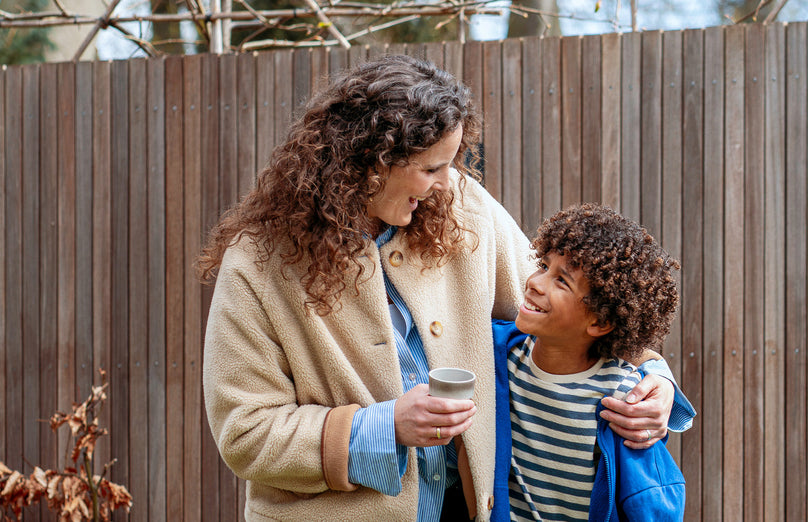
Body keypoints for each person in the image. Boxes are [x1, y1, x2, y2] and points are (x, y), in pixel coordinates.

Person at [199, 55, 689, 521]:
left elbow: (573, 308)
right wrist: (384, 427)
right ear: (371, 160)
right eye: (430, 168)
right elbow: (246, 434)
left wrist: (655, 377)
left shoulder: (462, 205)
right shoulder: (258, 263)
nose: (444, 184)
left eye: (449, 166)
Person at [491, 203, 688, 521]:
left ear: (598, 322)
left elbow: (653, 501)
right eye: (543, 265)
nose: (535, 283)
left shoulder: (622, 398)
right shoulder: (500, 355)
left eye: (561, 281)